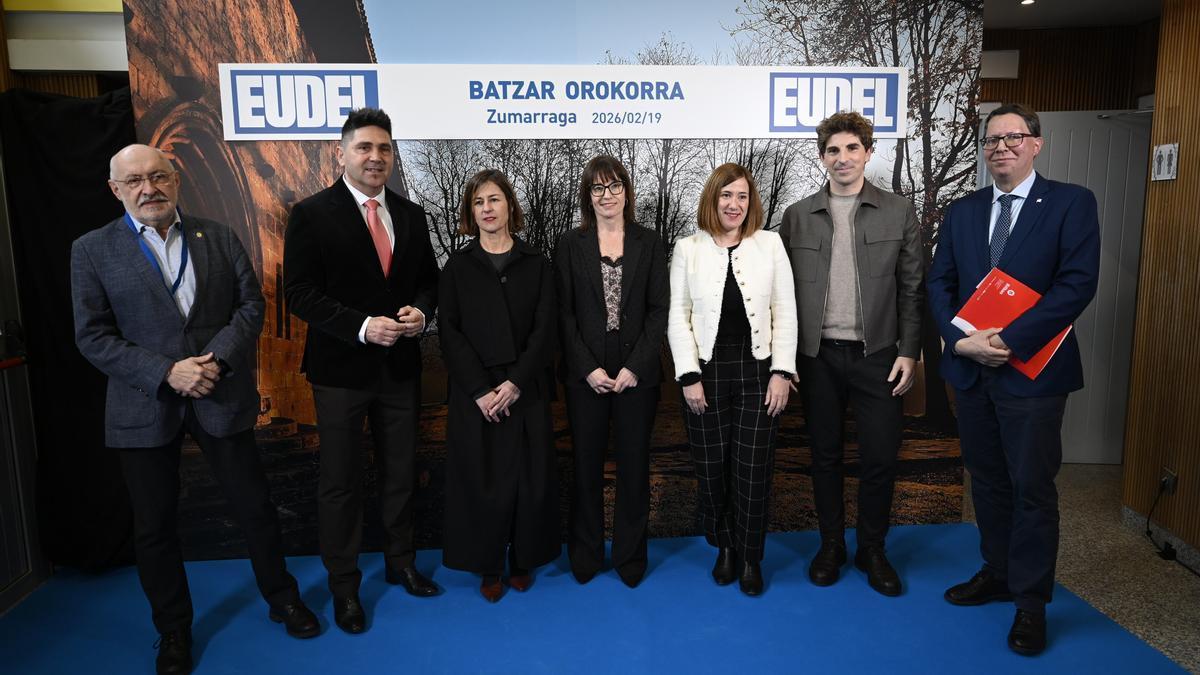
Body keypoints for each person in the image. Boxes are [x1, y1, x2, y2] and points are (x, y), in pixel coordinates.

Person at [72, 144, 319, 675]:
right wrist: (166, 372)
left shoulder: (219, 236)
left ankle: (283, 599)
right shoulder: (91, 250)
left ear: (176, 179)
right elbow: (92, 337)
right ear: (116, 190)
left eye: (158, 176)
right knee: (155, 526)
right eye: (134, 180)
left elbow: (251, 306)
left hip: (218, 393)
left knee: (256, 508)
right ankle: (174, 632)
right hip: (143, 405)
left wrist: (217, 363)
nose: (148, 188)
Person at [928, 104, 1100, 655]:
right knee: (989, 481)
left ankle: (1030, 603)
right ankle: (997, 572)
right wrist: (961, 341)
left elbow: (1075, 285)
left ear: (1036, 144)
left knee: (1031, 489)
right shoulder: (963, 212)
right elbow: (940, 284)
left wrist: (1009, 340)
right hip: (972, 372)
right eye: (993, 139)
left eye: (1013, 137)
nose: (1001, 146)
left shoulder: (1071, 203)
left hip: (1034, 373)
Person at [283, 108, 440, 634]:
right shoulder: (310, 213)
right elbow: (299, 293)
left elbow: (427, 283)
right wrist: (361, 326)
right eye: (364, 148)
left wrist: (422, 312)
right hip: (339, 371)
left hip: (400, 370)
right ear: (341, 153)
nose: (376, 157)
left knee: (400, 472)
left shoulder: (413, 215)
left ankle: (401, 564)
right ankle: (344, 586)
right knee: (341, 481)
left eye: (385, 149)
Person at [779, 111, 924, 597]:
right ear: (822, 157)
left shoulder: (898, 211)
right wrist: (785, 357)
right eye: (833, 150)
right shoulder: (797, 215)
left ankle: (872, 550)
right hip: (816, 358)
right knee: (824, 456)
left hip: (878, 356)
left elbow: (912, 287)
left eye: (851, 149)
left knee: (880, 457)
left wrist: (909, 350)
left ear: (867, 152)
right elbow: (779, 293)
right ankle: (831, 546)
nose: (842, 158)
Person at [667, 162, 797, 596]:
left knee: (753, 470)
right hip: (705, 372)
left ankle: (750, 557)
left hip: (759, 371)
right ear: (712, 199)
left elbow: (786, 312)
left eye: (742, 196)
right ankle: (724, 547)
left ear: (750, 201)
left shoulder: (771, 245)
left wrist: (782, 372)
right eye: (726, 195)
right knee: (712, 469)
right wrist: (688, 375)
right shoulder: (688, 248)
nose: (734, 204)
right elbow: (677, 317)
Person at [438, 169, 560, 603]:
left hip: (524, 390)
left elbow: (546, 331)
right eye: (478, 202)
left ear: (510, 205)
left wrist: (515, 383)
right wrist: (480, 390)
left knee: (529, 480)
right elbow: (449, 333)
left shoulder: (537, 265)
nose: (487, 209)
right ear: (471, 213)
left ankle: (523, 560)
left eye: (494, 199)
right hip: (477, 396)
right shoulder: (456, 267)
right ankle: (489, 566)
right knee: (482, 481)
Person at [555, 155, 668, 588]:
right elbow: (563, 315)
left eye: (615, 186)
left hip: (637, 379)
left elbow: (659, 310)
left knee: (634, 469)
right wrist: (587, 369)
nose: (607, 195)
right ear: (588, 196)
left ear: (626, 190)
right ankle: (585, 556)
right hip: (587, 380)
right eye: (598, 188)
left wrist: (635, 368)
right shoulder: (570, 245)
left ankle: (629, 558)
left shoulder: (650, 242)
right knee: (585, 468)